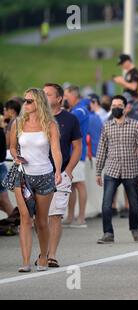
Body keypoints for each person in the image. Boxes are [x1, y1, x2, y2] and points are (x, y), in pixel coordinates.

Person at [10, 88, 62, 272]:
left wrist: (58, 171)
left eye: (30, 101)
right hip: (23, 175)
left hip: (45, 174)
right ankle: (25, 261)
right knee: (25, 218)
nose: (26, 104)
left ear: (39, 102)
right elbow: (13, 147)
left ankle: (43, 256)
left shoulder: (50, 125)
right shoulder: (17, 123)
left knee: (41, 220)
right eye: (25, 100)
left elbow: (55, 150)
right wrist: (16, 156)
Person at [95, 95, 138, 244]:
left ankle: (135, 229)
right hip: (111, 170)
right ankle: (108, 233)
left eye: (119, 105)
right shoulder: (107, 125)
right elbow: (101, 149)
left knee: (134, 204)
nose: (115, 108)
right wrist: (98, 171)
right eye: (113, 105)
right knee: (106, 203)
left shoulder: (135, 125)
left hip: (131, 170)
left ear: (125, 108)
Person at [43, 83, 82, 267]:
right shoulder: (34, 118)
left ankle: (52, 254)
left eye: (48, 94)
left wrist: (68, 170)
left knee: (55, 215)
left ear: (59, 98)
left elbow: (77, 147)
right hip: (37, 172)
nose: (44, 97)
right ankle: (43, 251)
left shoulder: (70, 119)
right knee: (39, 217)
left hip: (60, 173)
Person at [63, 85, 89, 228]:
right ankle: (71, 216)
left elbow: (68, 122)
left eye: (67, 95)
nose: (65, 98)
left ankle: (81, 217)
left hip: (77, 152)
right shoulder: (76, 110)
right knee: (72, 185)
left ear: (74, 95)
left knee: (79, 184)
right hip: (71, 151)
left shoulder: (79, 110)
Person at [0, 128, 14, 219]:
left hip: (0, 168)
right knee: (4, 201)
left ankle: (20, 221)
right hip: (1, 167)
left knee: (4, 200)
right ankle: (18, 220)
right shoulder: (1, 131)